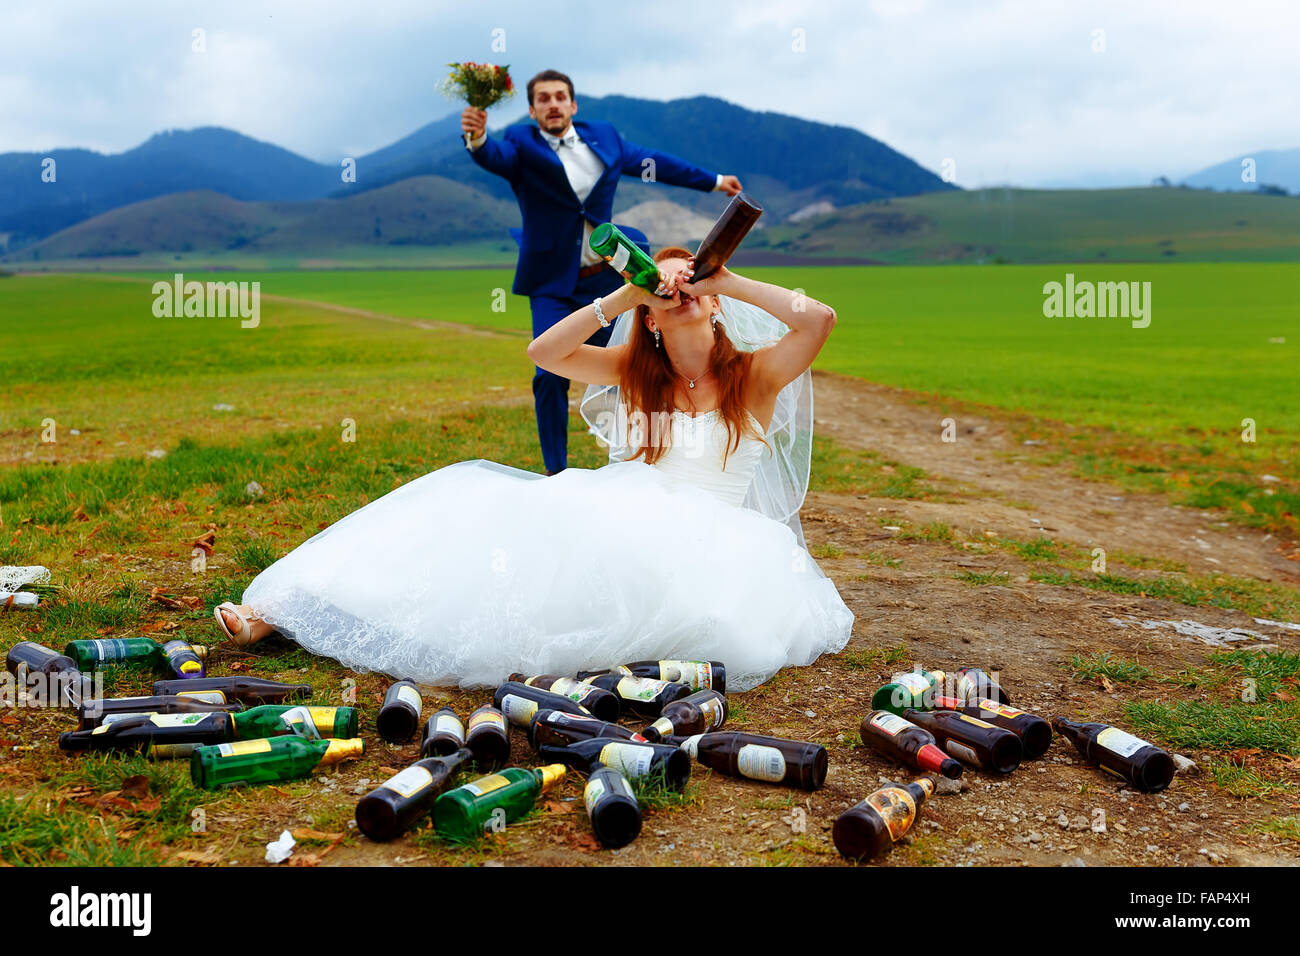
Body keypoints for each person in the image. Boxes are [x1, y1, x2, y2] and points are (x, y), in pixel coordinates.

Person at [212, 251, 854, 691]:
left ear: (713, 306)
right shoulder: (631, 372)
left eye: (691, 287)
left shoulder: (756, 378)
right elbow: (544, 352)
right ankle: (288, 608)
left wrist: (726, 280)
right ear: (649, 320)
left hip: (712, 544)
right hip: (613, 512)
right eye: (662, 292)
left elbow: (819, 318)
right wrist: (620, 296)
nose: (679, 292)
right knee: (474, 520)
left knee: (598, 620)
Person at [461, 68, 743, 475]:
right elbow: (494, 157)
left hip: (612, 279)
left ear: (573, 105)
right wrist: (477, 137)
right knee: (548, 373)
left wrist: (714, 181)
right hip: (552, 286)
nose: (553, 103)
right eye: (543, 98)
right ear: (532, 109)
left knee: (642, 363)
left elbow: (655, 163)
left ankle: (648, 460)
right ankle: (556, 473)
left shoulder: (606, 137)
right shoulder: (519, 143)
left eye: (560, 96)